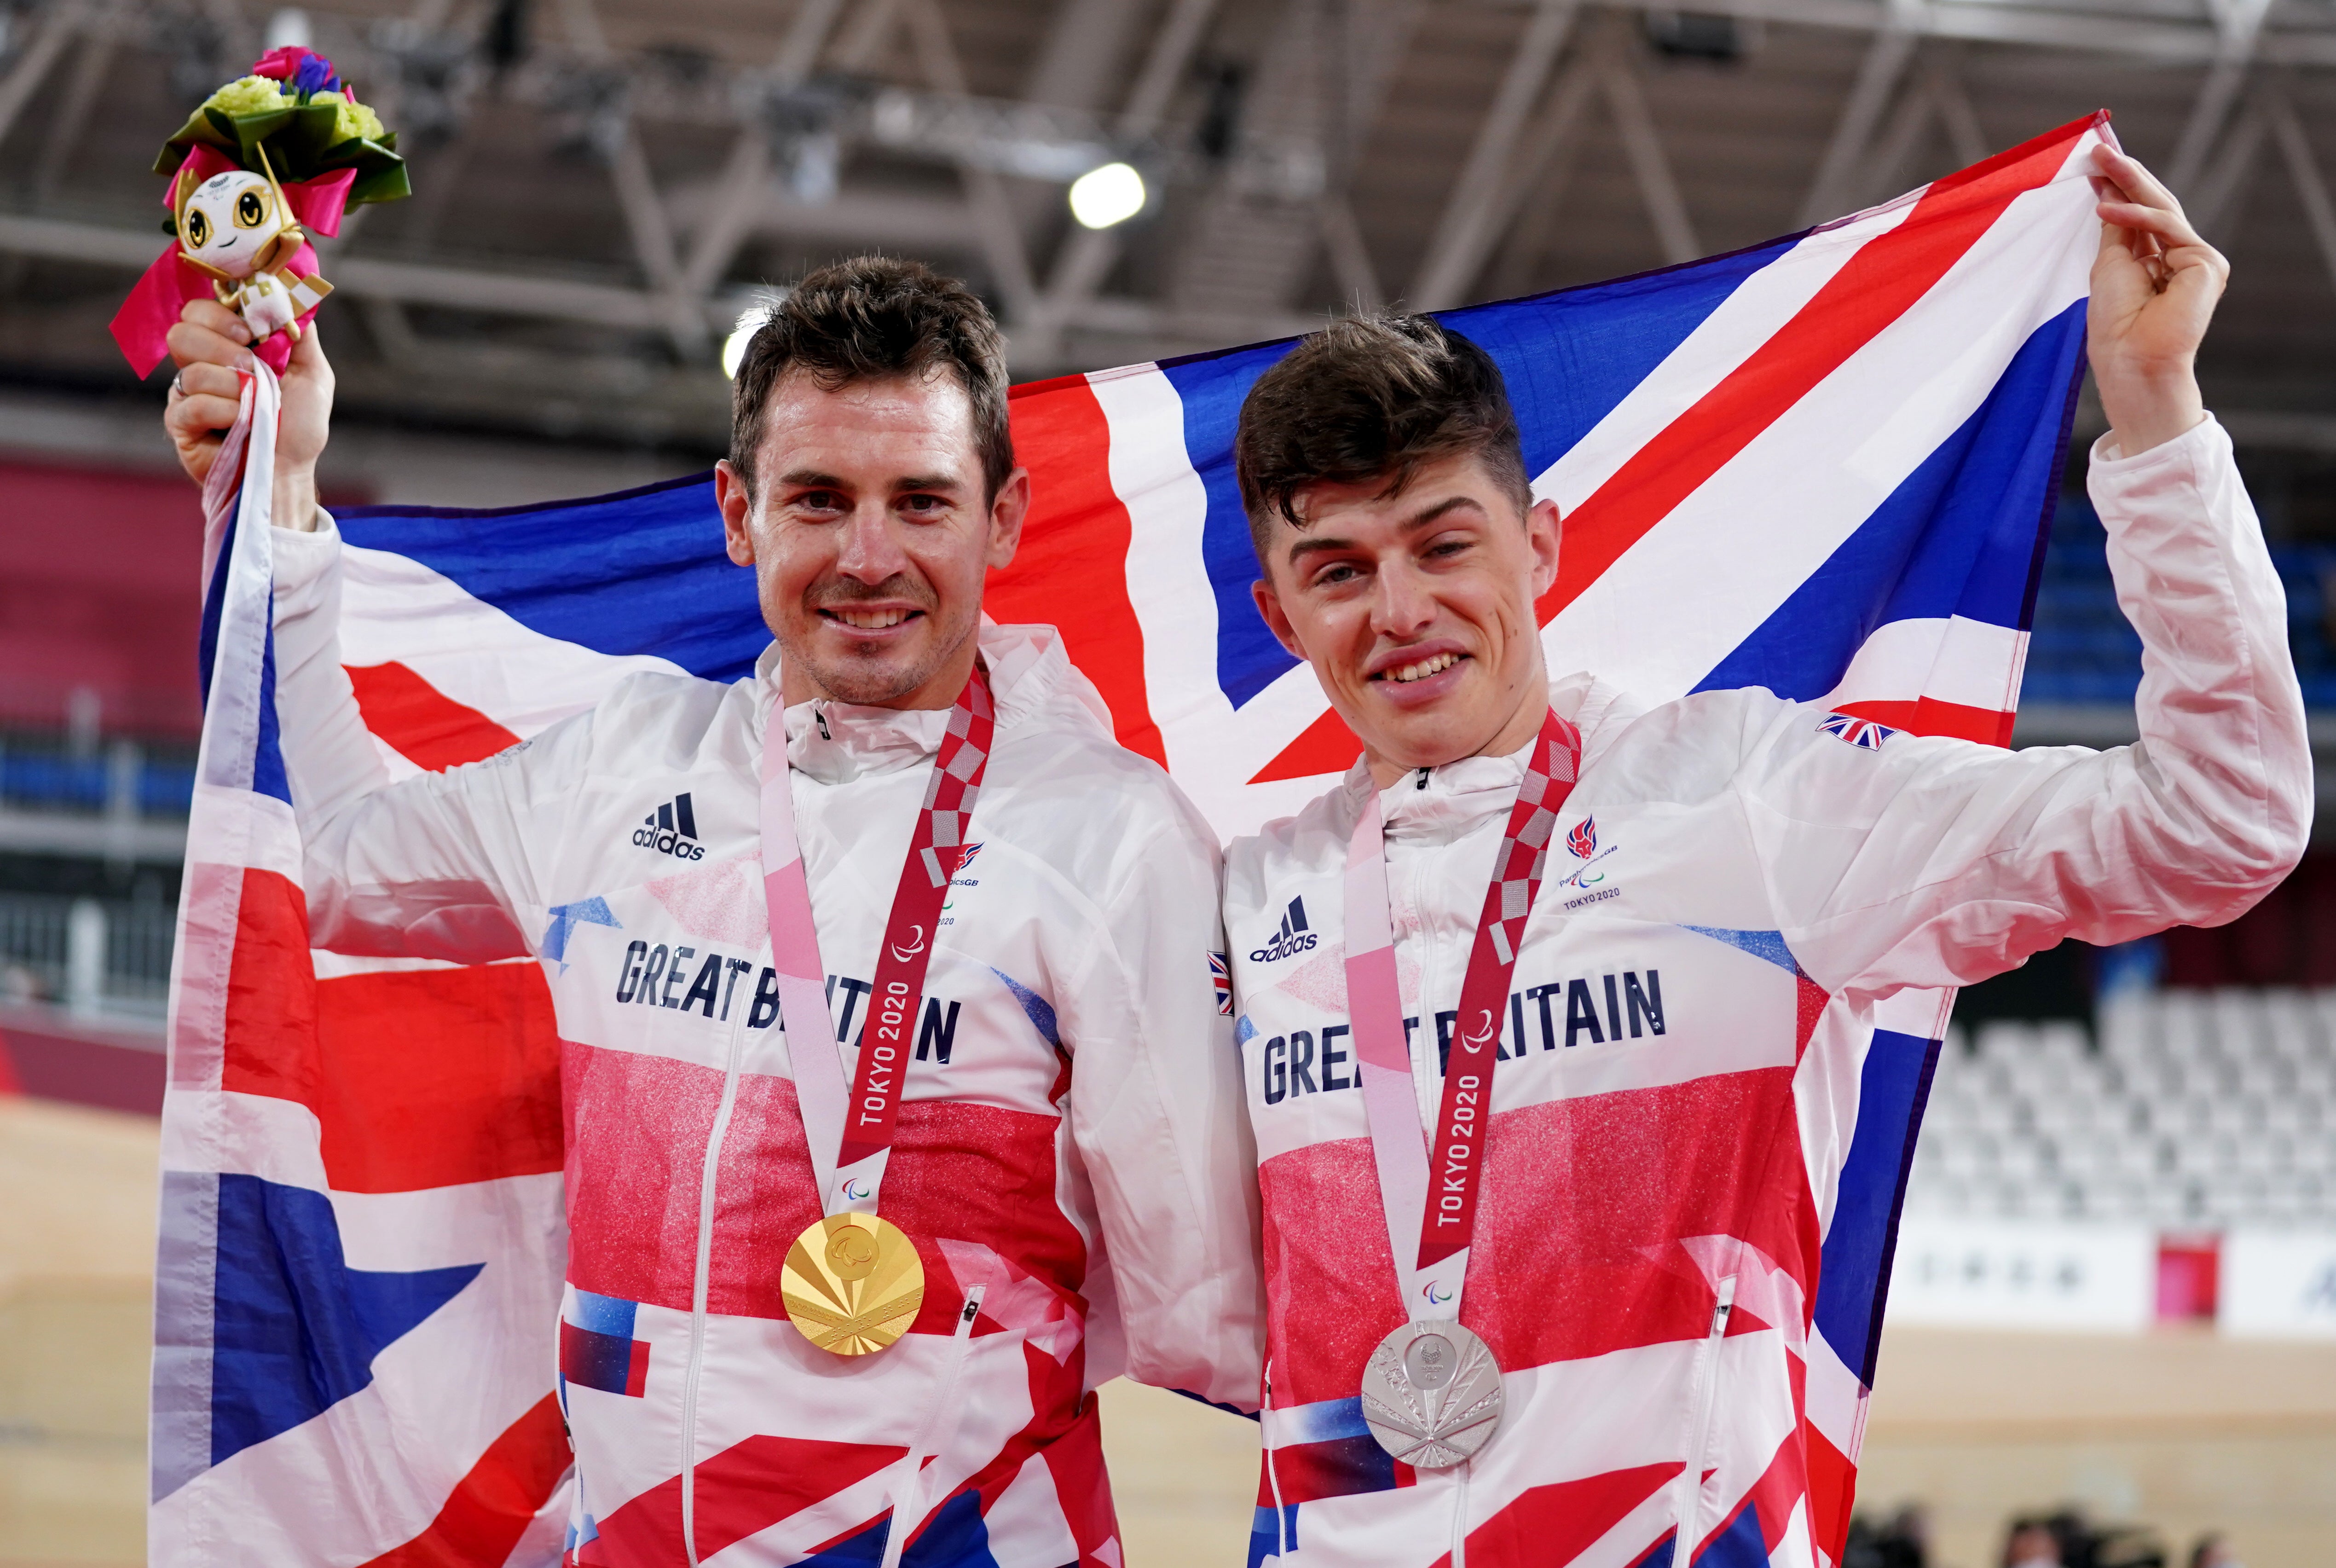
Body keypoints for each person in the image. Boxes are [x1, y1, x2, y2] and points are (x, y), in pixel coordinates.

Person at [1221, 148, 2308, 1566]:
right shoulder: (1245, 900)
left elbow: (2217, 823)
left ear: (1540, 546)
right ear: (1279, 610)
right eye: (1340, 570)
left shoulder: (1743, 794)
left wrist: (2153, 413)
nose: (1403, 608)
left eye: (1445, 543)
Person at [163, 258, 1264, 1562]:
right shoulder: (623, 766)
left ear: (1004, 518)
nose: (868, 557)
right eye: (817, 500)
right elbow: (333, 862)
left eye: (921, 501)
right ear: (737, 513)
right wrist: (279, 492)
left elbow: (1211, 1298)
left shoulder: (1111, 837)